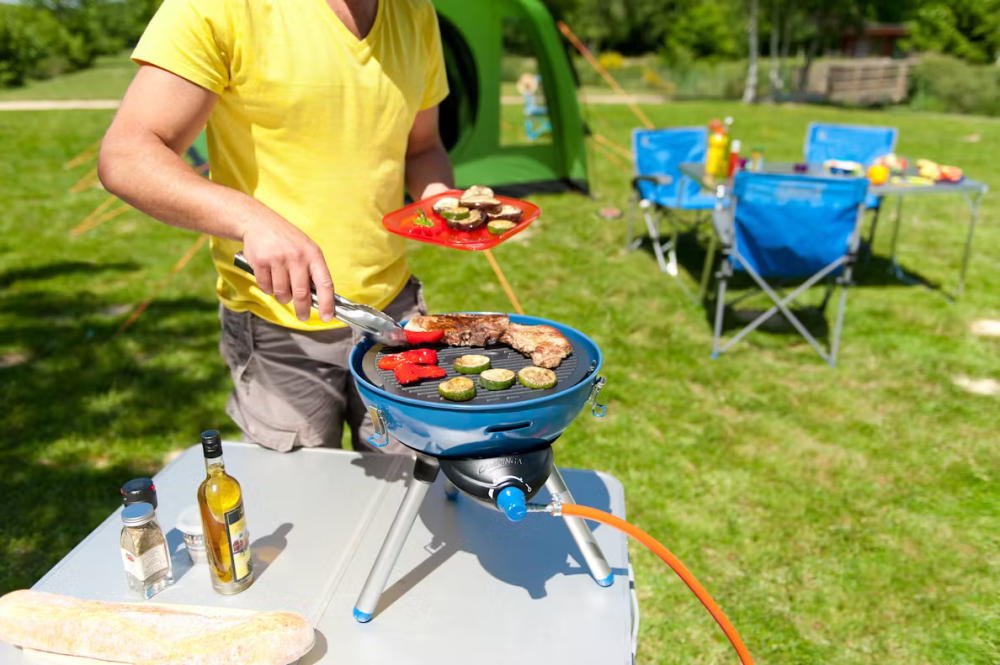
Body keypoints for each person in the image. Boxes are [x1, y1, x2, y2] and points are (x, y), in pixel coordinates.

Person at [98, 0, 454, 454]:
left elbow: (423, 147)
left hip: (394, 314)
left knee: (410, 484)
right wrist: (252, 219)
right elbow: (126, 155)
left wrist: (441, 199)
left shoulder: (415, 12)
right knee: (298, 494)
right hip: (279, 325)